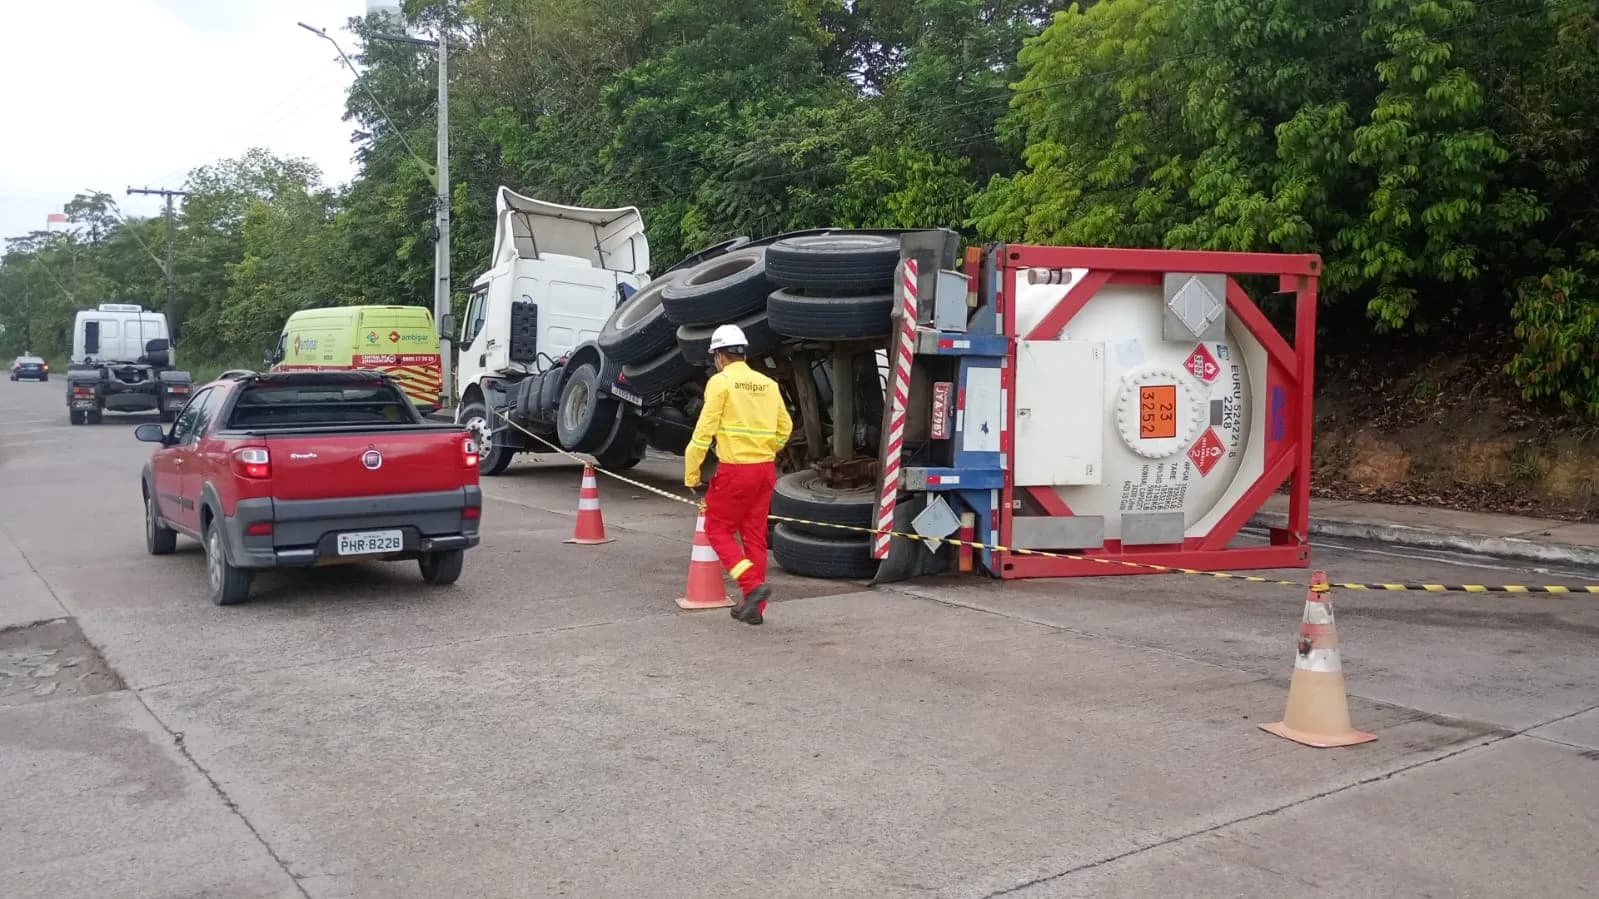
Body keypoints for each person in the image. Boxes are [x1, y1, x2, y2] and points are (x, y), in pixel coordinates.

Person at [684, 324, 792, 625]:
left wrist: (691, 472)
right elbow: (785, 428)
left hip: (735, 470)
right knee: (754, 537)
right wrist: (768, 448)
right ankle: (753, 609)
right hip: (765, 470)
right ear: (743, 353)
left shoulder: (720, 383)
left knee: (717, 530)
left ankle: (751, 586)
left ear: (719, 356)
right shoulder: (767, 384)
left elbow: (703, 432)